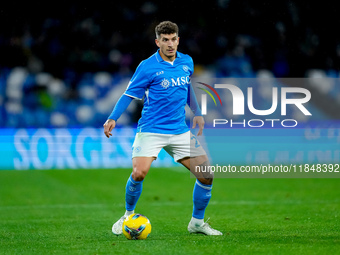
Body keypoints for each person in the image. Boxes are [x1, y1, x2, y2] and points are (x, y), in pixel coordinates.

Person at [103, 21, 222, 236]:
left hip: (179, 130)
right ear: (157, 42)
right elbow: (129, 93)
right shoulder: (147, 66)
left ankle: (197, 223)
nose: (170, 44)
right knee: (139, 173)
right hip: (151, 129)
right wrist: (113, 117)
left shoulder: (187, 61)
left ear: (178, 40)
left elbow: (187, 88)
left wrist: (198, 113)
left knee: (206, 175)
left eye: (173, 39)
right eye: (165, 40)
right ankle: (127, 215)